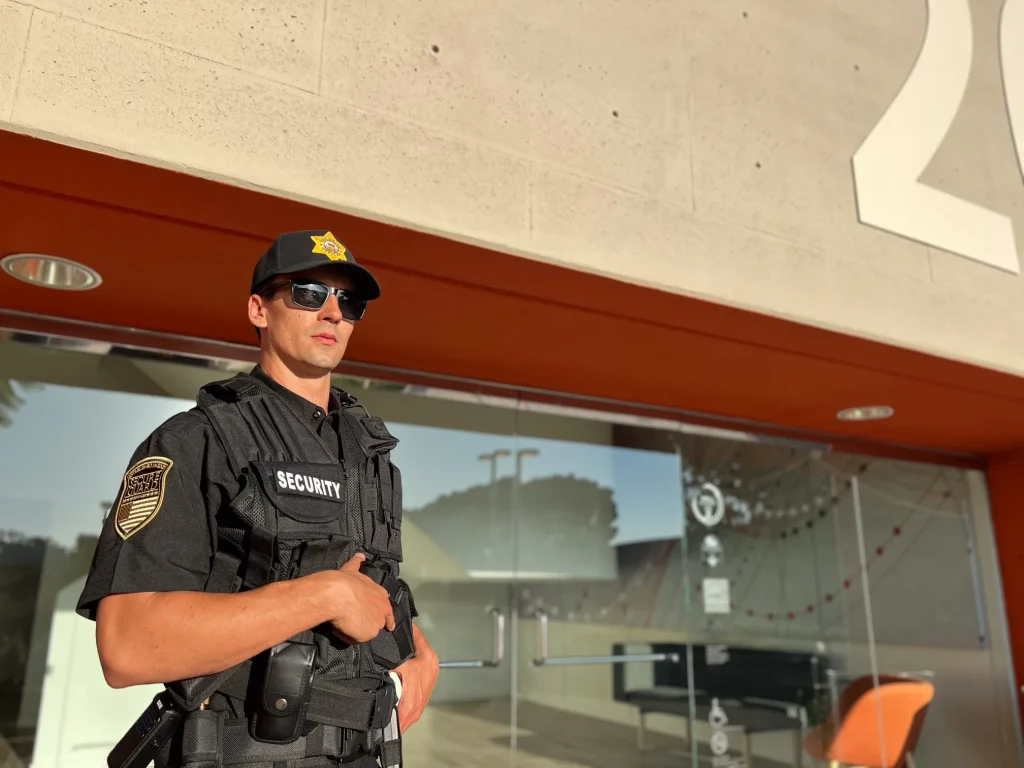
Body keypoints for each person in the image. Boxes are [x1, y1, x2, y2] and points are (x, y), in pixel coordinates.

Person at [76, 230, 439, 768]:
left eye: (349, 302)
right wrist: (324, 598)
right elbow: (127, 645)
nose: (333, 312)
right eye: (310, 293)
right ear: (259, 309)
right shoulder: (195, 440)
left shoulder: (366, 450)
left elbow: (362, 575)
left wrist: (411, 639)